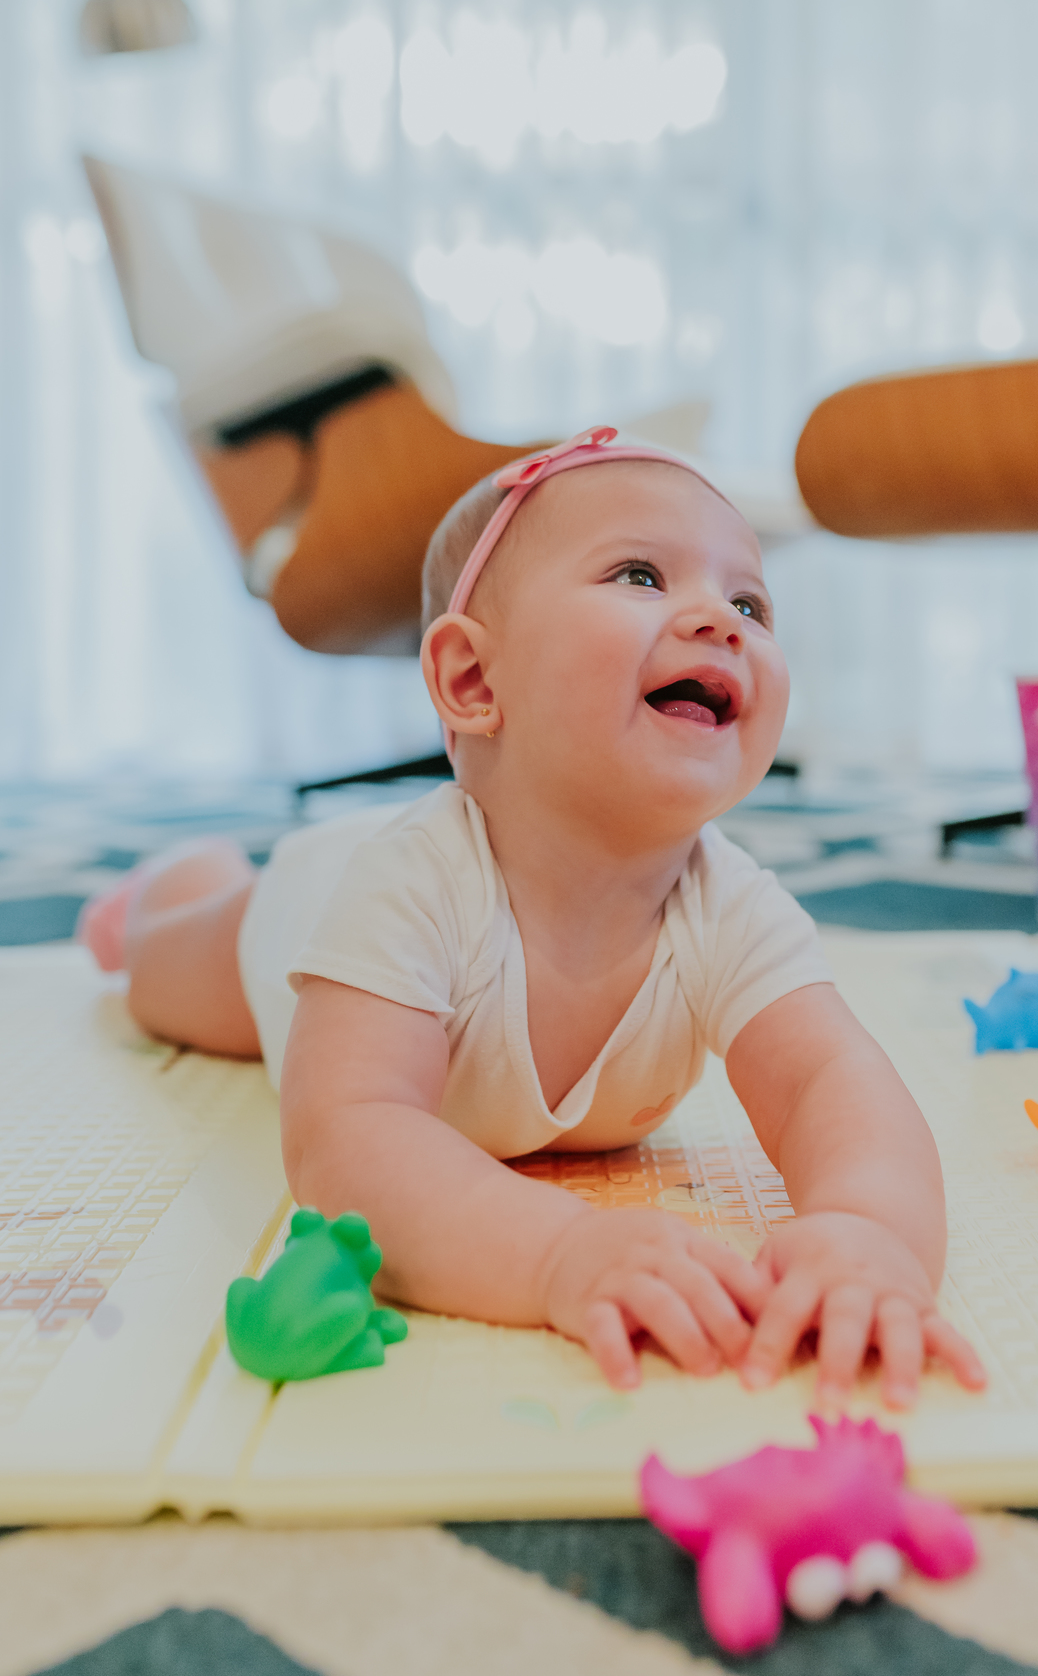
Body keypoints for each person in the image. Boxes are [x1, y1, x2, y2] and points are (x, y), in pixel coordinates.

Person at [80, 426, 986, 1407]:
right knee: (163, 977)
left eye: (749, 601)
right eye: (640, 574)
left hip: (384, 888)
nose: (721, 621)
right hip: (299, 914)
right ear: (474, 681)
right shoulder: (409, 887)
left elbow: (829, 1080)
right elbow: (347, 1136)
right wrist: (557, 1254)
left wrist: (868, 1229)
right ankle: (172, 884)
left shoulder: (729, 904)